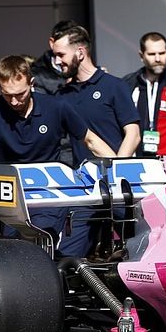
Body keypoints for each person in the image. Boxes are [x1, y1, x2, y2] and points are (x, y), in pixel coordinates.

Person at [0, 55, 117, 247]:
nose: (15, 101)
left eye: (20, 94)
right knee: (13, 250)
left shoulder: (56, 106)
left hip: (47, 193)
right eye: (7, 95)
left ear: (32, 83)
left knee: (38, 244)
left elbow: (91, 140)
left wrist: (119, 167)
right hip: (10, 197)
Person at [52, 25, 140, 257]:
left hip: (121, 187)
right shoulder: (61, 97)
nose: (56, 60)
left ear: (80, 52)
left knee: (140, 248)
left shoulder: (114, 86)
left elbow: (133, 133)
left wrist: (117, 172)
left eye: (61, 54)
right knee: (66, 256)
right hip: (84, 189)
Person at [29, 20, 80, 96]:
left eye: (74, 44)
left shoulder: (85, 70)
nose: (71, 48)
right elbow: (43, 105)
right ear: (52, 43)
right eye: (66, 44)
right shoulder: (37, 75)